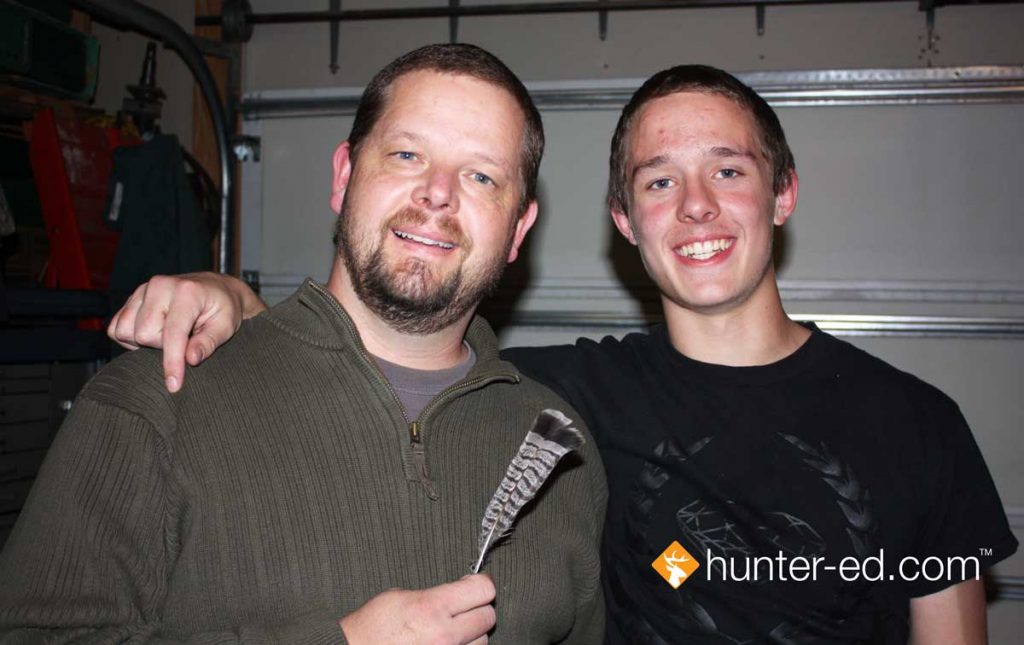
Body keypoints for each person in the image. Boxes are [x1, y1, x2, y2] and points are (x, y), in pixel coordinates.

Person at [104, 65, 1017, 643]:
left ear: (783, 193)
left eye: (729, 171)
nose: (696, 206)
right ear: (626, 222)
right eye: (660, 181)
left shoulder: (918, 424)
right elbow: (394, 324)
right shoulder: (562, 395)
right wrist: (236, 300)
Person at [0, 44, 607, 644]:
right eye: (406, 154)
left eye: (480, 175)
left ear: (517, 229)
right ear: (344, 178)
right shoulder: (157, 399)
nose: (438, 193)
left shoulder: (559, 450)